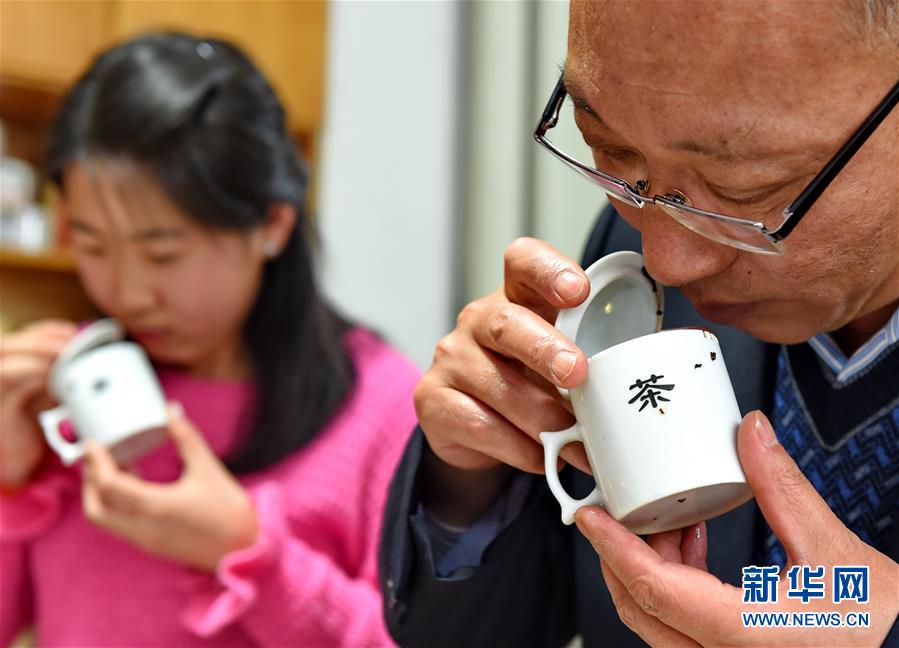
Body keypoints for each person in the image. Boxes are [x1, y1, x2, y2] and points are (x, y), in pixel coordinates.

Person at [379, 1, 898, 646]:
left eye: (741, 190)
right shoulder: (639, 255)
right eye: (612, 152)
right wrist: (474, 475)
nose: (665, 258)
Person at [0, 33, 418, 647]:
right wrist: (7, 476)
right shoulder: (63, 391)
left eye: (162, 254)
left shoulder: (383, 406)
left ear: (272, 225)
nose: (127, 291)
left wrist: (249, 553)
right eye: (91, 246)